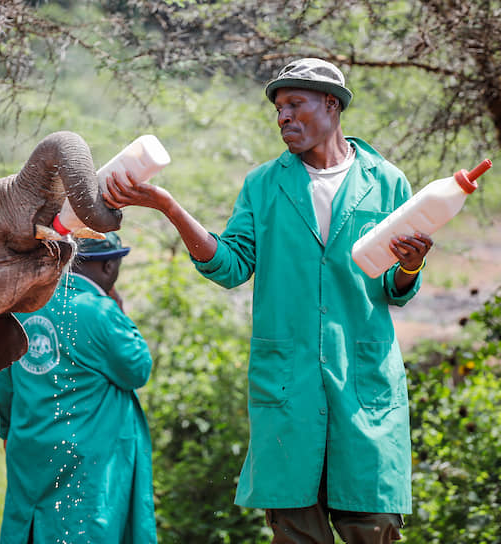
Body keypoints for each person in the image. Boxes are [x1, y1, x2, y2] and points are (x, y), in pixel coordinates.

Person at [103, 58, 433, 543]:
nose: (283, 117)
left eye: (295, 104)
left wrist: (410, 265)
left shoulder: (387, 182)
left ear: (331, 104)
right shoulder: (264, 184)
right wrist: (171, 209)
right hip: (288, 391)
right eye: (279, 108)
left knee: (374, 527)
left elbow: (394, 290)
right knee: (295, 530)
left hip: (363, 393)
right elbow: (231, 265)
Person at [0, 232, 157, 544]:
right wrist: (118, 311)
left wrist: (7, 431)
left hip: (30, 450)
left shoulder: (22, 308)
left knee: (32, 525)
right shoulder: (99, 312)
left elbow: (5, 383)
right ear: (108, 267)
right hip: (85, 456)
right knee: (82, 528)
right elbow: (137, 369)